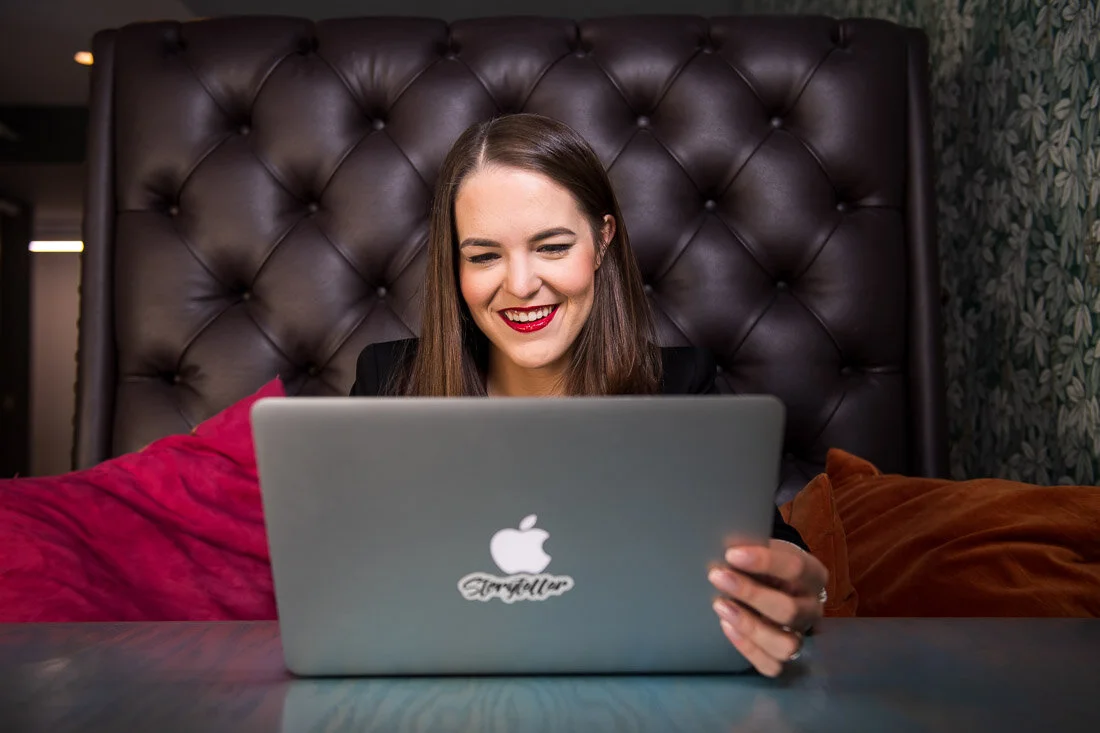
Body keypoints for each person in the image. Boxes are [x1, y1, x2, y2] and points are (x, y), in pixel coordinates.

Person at [350, 113, 829, 677]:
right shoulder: (388, 381)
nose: (521, 284)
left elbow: (777, 554)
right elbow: (351, 576)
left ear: (603, 241)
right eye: (483, 256)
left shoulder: (682, 390)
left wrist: (801, 591)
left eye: (552, 247)